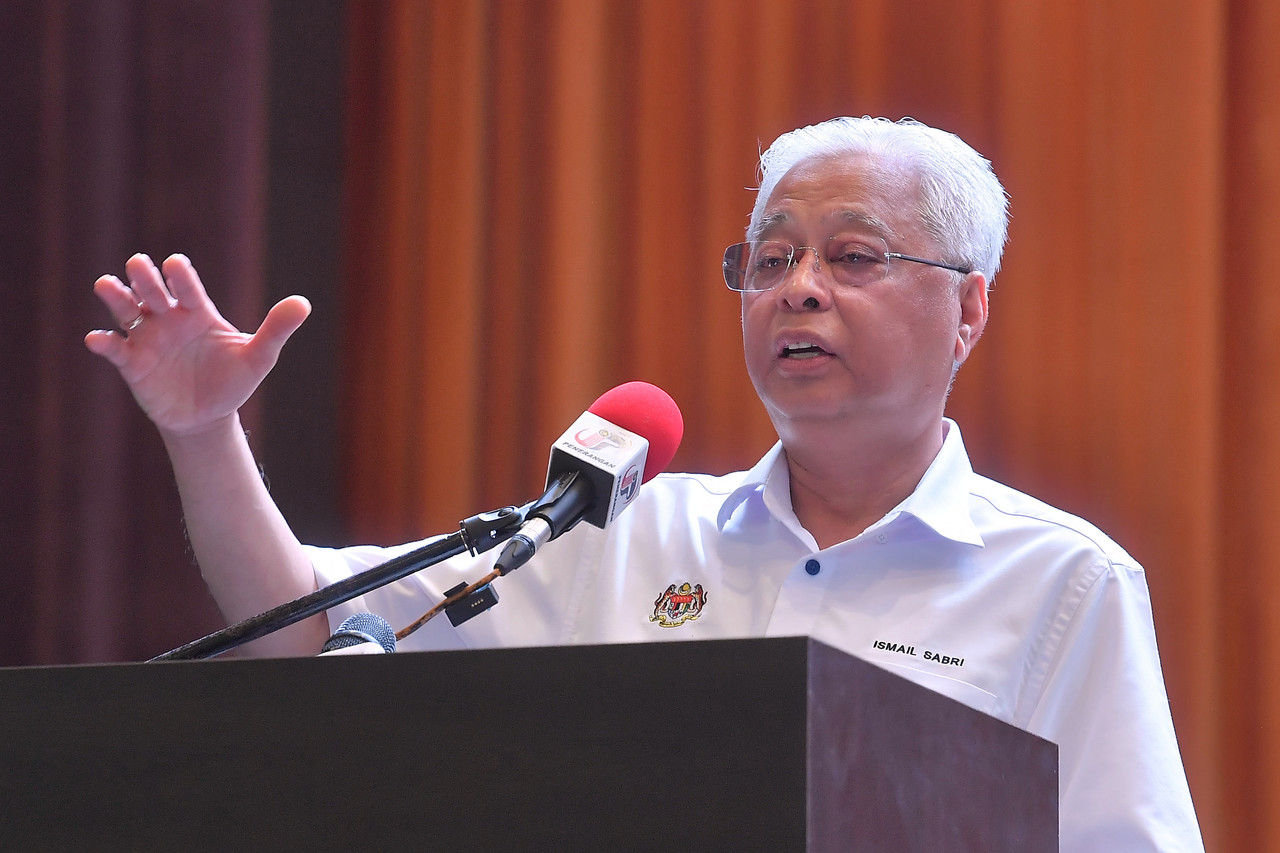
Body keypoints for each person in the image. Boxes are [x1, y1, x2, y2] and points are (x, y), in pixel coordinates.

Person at [86, 116, 1204, 850]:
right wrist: (205, 430)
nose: (796, 289)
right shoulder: (620, 530)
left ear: (965, 310)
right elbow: (303, 628)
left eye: (852, 256)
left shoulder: (1060, 581)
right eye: (768, 260)